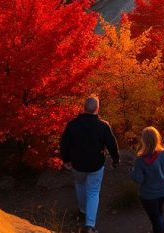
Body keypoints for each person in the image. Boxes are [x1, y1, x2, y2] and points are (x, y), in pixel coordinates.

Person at [60, 96, 120, 233]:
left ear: (84, 108)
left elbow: (64, 144)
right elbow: (112, 144)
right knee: (93, 192)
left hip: (77, 164)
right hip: (95, 164)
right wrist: (116, 159)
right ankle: (90, 225)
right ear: (97, 109)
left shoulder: (72, 125)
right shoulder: (103, 126)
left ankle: (82, 210)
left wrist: (66, 160)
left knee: (80, 185)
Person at [132, 126, 164, 233]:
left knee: (155, 219)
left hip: (148, 194)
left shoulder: (140, 159)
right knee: (158, 214)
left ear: (144, 140)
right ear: (157, 138)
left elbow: (139, 180)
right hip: (163, 190)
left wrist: (133, 171)